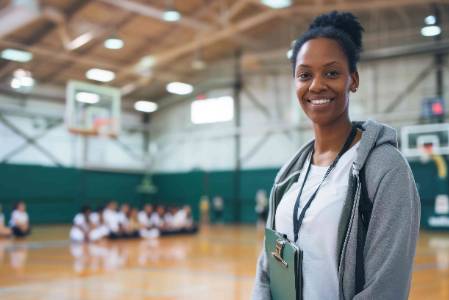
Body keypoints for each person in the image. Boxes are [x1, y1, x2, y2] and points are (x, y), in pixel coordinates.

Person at [252, 11, 420, 300]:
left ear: (353, 80)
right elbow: (266, 271)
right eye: (305, 75)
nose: (316, 85)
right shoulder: (288, 176)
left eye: (331, 72)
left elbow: (386, 288)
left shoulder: (385, 169)